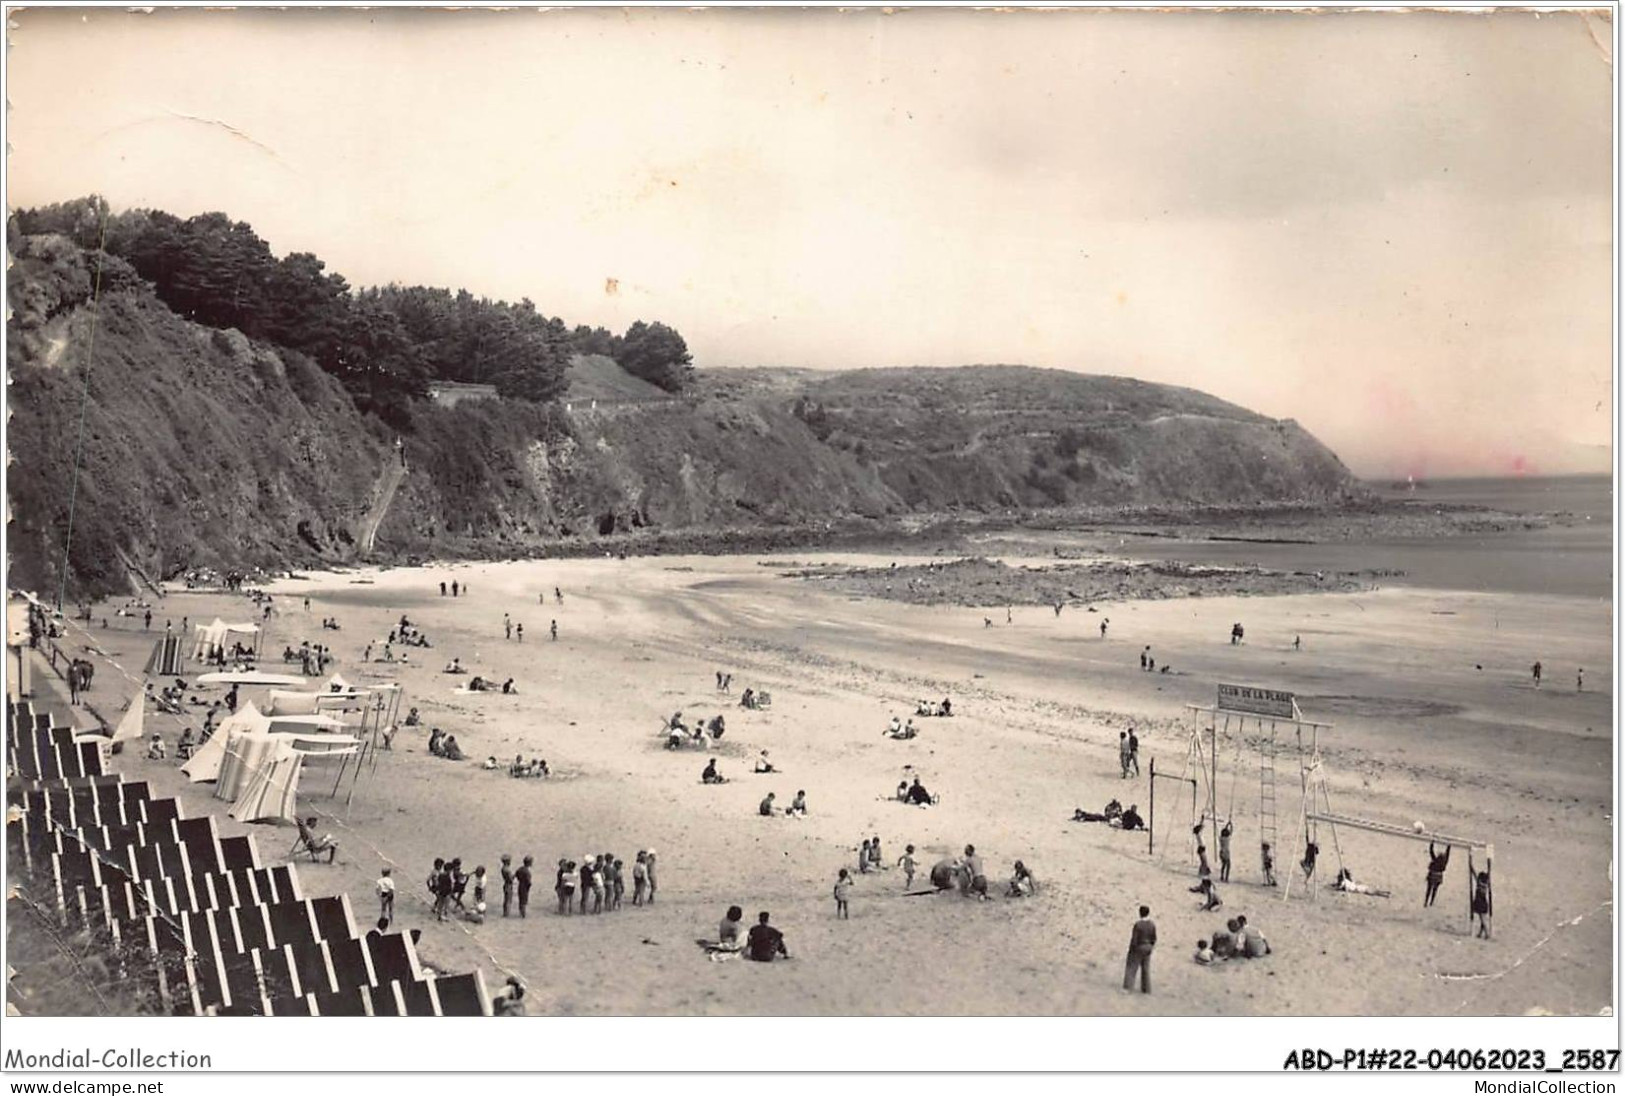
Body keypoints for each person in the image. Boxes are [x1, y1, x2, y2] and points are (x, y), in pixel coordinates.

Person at [1124, 905, 1156, 994]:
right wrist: (1151, 946)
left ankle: (1128, 987)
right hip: (1148, 947)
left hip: (1139, 947)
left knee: (1132, 967)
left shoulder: (1138, 925)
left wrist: (1131, 949)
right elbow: (1154, 938)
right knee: (1146, 969)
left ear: (1140, 913)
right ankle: (1146, 989)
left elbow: (1134, 939)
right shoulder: (1152, 924)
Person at [1469, 850, 1493, 939]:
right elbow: (1489, 871)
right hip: (1483, 901)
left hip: (1479, 901)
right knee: (1482, 917)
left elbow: (1473, 872)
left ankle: (1486, 933)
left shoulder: (1479, 883)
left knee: (1482, 918)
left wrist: (1470, 861)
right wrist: (1489, 860)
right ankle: (1480, 933)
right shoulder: (1486, 883)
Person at [1424, 842, 1450, 907]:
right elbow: (1447, 854)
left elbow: (1431, 852)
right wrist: (1449, 846)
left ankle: (1426, 901)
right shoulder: (1444, 861)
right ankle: (1431, 902)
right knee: (1434, 890)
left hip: (1432, 875)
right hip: (1438, 876)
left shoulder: (1435, 860)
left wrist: (1432, 843)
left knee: (1429, 889)